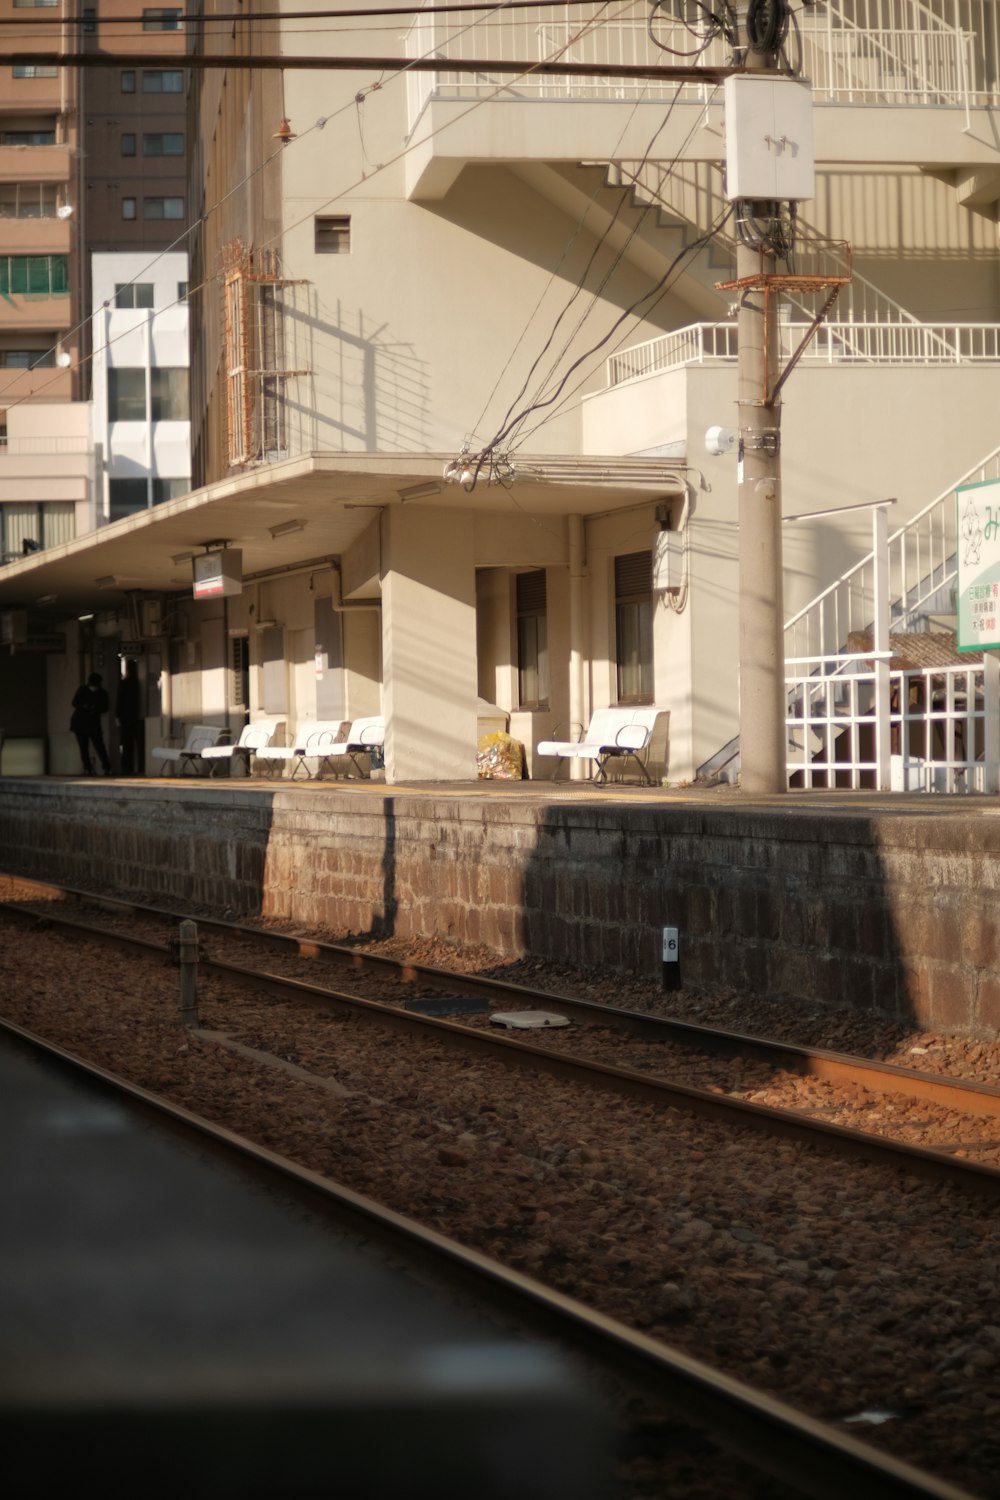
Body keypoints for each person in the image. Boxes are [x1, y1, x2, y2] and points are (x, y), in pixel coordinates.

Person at [70, 672, 111, 775]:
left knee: (98, 746)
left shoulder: (102, 693)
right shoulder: (83, 690)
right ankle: (88, 767)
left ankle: (105, 767)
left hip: (92, 723)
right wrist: (85, 706)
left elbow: (105, 708)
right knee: (85, 747)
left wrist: (94, 708)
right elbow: (75, 703)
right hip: (81, 722)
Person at [116, 658, 143, 775]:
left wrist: (117, 715)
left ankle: (127, 768)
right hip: (139, 718)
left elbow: (119, 700)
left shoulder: (124, 683)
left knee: (127, 744)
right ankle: (141, 767)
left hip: (126, 718)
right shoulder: (138, 682)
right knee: (140, 745)